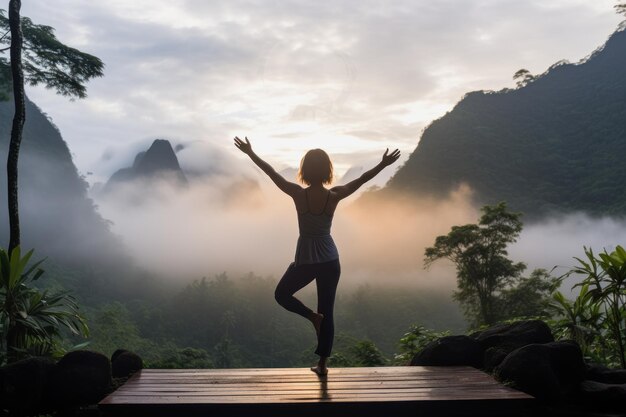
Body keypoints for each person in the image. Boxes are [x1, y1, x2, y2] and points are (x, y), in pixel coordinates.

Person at [234, 136, 400, 375]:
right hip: (330, 260)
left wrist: (250, 152)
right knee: (328, 311)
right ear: (327, 170)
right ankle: (322, 364)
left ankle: (312, 317)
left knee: (282, 294)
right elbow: (362, 180)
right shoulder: (335, 195)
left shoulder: (297, 194)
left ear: (304, 170)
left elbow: (271, 173)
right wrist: (383, 164)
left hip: (306, 260)